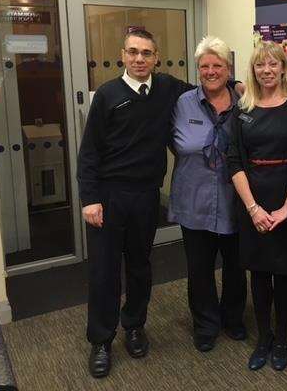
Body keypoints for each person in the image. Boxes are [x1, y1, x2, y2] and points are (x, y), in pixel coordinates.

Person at [77, 29, 193, 378]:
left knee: (140, 266)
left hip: (145, 196)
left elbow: (208, 86)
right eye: (133, 52)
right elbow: (90, 153)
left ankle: (134, 326)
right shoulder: (108, 95)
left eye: (146, 53)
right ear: (122, 55)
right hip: (109, 196)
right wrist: (90, 199)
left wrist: (240, 85)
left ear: (157, 56)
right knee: (105, 271)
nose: (139, 59)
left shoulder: (167, 88)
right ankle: (101, 340)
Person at [169, 36, 247, 354]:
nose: (211, 71)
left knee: (235, 265)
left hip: (235, 200)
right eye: (205, 66)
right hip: (194, 199)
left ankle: (233, 318)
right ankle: (205, 324)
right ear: (198, 69)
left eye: (218, 65)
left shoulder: (244, 102)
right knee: (199, 269)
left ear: (229, 69)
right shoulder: (182, 103)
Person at [227, 41, 287, 372]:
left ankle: (283, 338)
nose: (267, 70)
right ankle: (264, 338)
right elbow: (234, 162)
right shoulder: (243, 109)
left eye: (273, 64)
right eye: (260, 65)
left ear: (284, 68)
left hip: (285, 202)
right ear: (253, 70)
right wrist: (253, 209)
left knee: (283, 274)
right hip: (252, 202)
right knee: (258, 274)